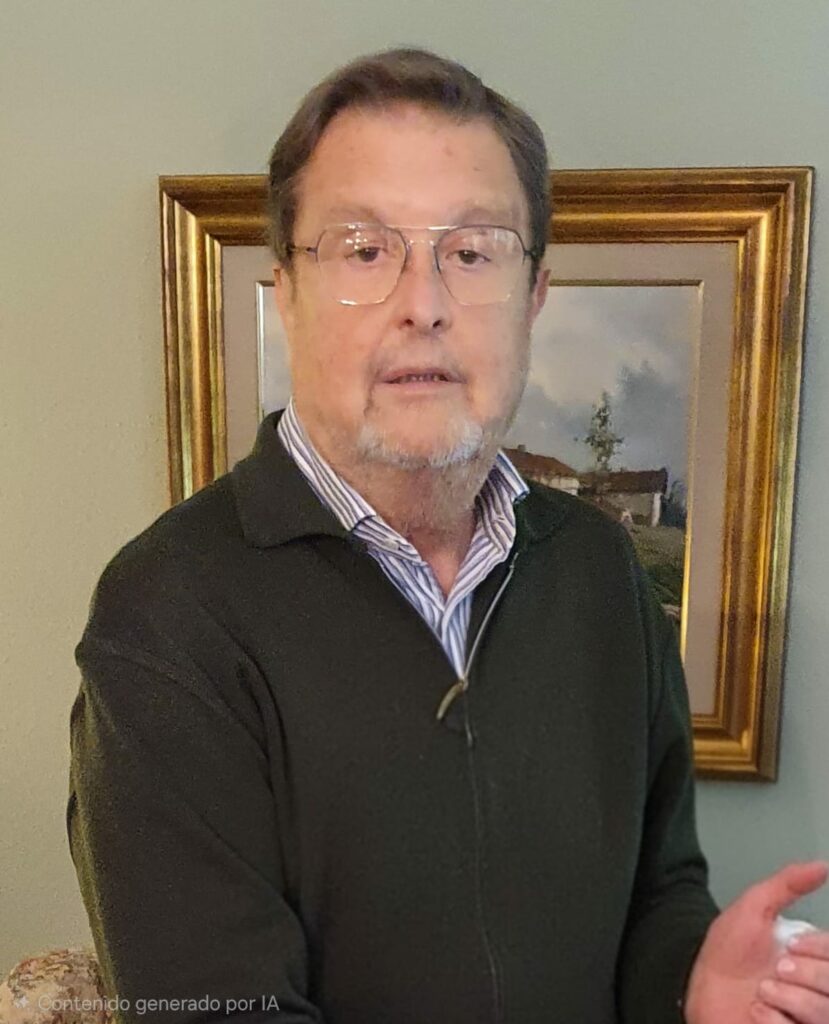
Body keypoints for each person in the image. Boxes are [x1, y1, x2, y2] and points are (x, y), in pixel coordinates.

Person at [68, 47, 829, 1024]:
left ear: (533, 294)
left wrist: (690, 990)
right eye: (362, 249)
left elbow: (658, 895)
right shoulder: (167, 615)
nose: (422, 305)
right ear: (287, 292)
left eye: (471, 253)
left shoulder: (599, 568)